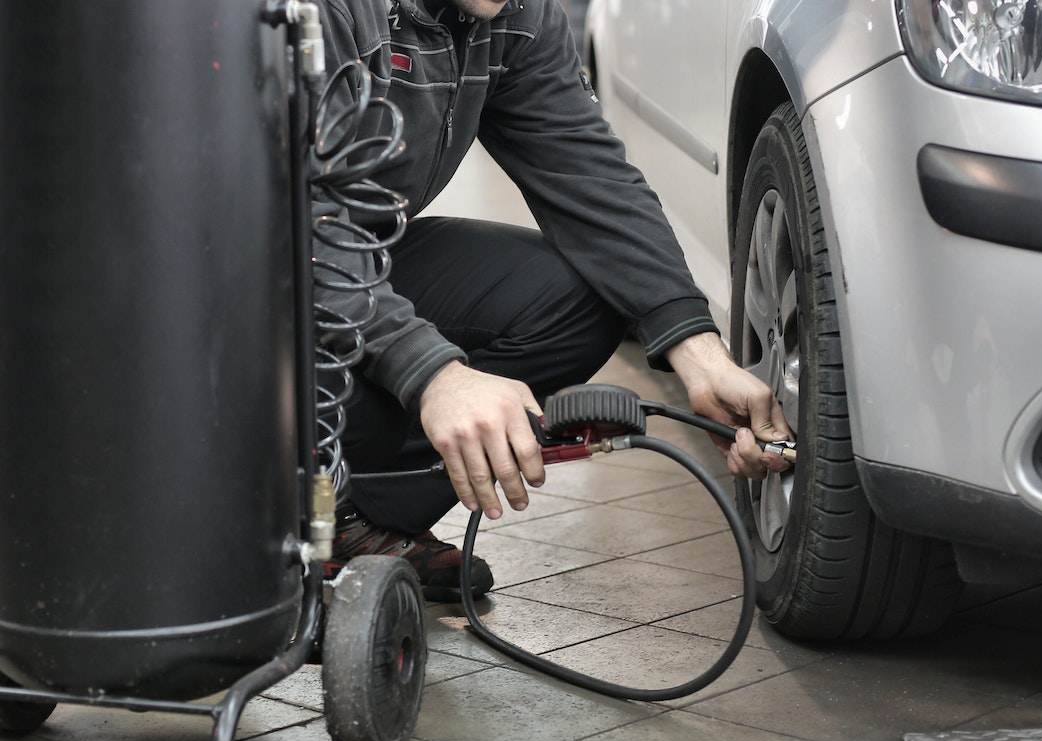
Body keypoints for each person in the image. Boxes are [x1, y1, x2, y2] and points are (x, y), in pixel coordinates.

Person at [312, 0, 792, 601]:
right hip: (221, 281)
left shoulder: (511, 13)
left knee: (579, 297)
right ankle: (248, 491)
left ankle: (348, 515)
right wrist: (433, 374)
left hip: (347, 255)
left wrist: (701, 356)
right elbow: (284, 218)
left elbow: (587, 173)